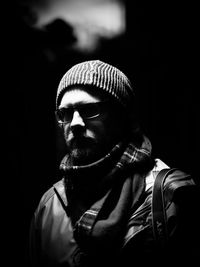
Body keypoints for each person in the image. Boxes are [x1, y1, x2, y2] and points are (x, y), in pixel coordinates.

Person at [29, 60, 199, 267]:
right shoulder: (49, 206)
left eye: (90, 109)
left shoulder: (170, 195)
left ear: (122, 117)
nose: (75, 123)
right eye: (65, 113)